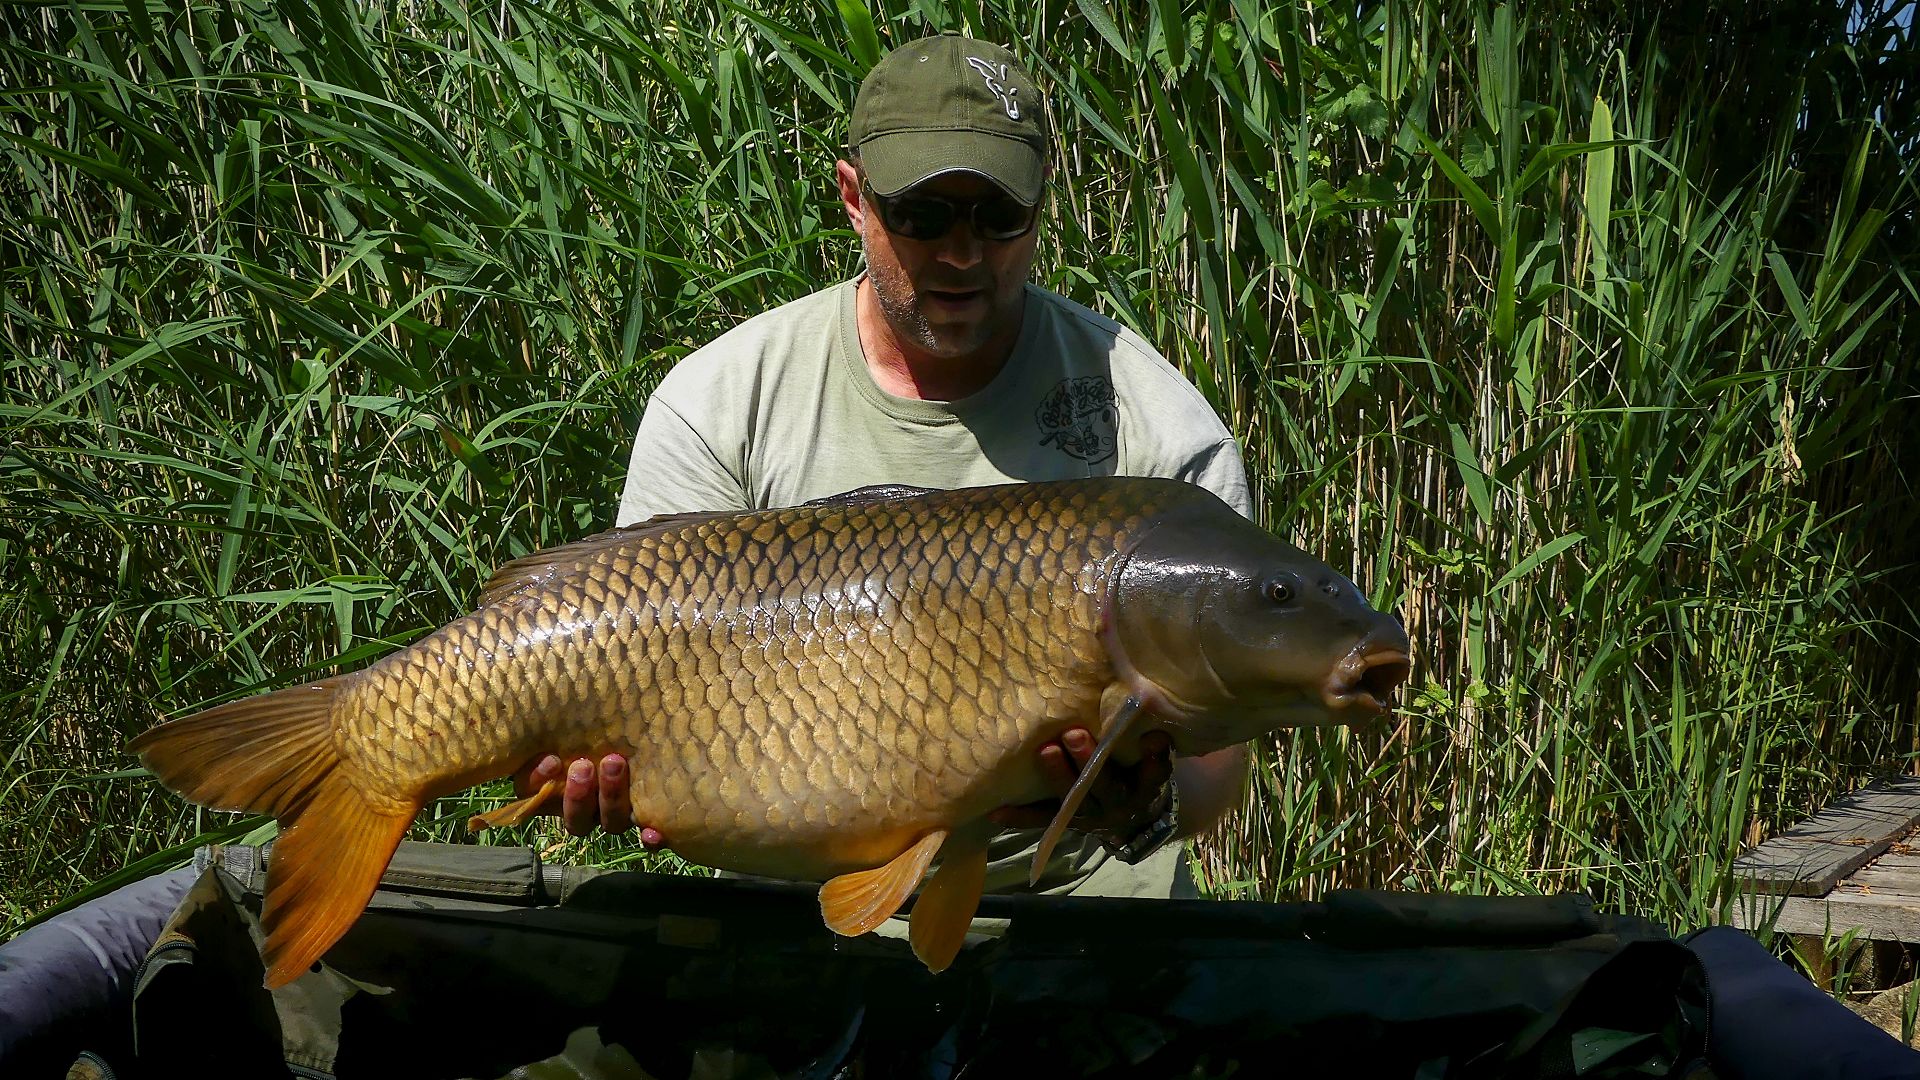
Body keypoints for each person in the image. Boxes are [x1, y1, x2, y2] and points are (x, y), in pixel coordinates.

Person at [513, 31, 1254, 906]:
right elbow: (637, 676)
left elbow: (1219, 766)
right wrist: (586, 772)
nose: (962, 254)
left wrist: (1139, 806)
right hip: (791, 908)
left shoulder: (1154, 426)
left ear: (1042, 207)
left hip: (1077, 895)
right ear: (854, 198)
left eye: (998, 217)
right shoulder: (722, 401)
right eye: (923, 215)